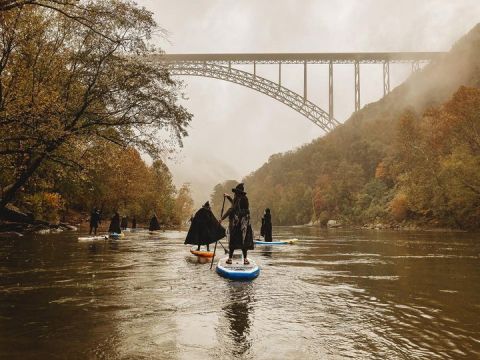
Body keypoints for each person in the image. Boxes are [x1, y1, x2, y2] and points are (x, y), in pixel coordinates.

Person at [221, 183, 254, 265]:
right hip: (246, 223)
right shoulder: (245, 198)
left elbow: (231, 209)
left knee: (233, 240)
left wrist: (222, 218)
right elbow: (235, 205)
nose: (235, 193)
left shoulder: (238, 198)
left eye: (236, 192)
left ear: (238, 192)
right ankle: (245, 260)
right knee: (244, 241)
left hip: (239, 223)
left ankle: (230, 259)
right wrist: (228, 197)